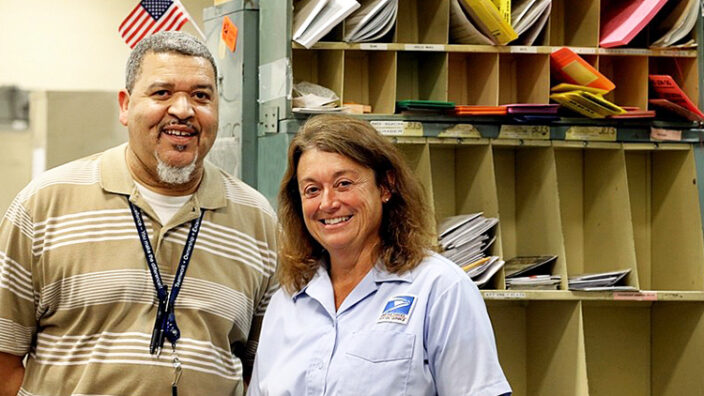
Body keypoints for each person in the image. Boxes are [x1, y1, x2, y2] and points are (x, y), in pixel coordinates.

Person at [0, 31, 277, 396]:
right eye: (162, 93)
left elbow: (262, 368)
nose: (183, 110)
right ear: (125, 106)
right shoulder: (44, 205)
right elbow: (4, 358)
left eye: (201, 96)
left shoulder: (256, 219)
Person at [248, 115, 511, 395]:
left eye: (344, 183)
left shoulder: (440, 289)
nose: (328, 203)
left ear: (385, 186)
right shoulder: (286, 302)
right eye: (312, 190)